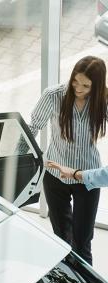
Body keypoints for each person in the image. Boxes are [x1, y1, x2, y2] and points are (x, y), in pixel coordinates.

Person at [27, 55, 107, 265]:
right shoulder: (53, 96)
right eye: (75, 81)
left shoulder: (103, 101)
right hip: (54, 174)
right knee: (61, 238)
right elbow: (33, 127)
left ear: (96, 86)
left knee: (82, 241)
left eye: (85, 85)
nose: (78, 88)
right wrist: (19, 159)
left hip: (87, 178)